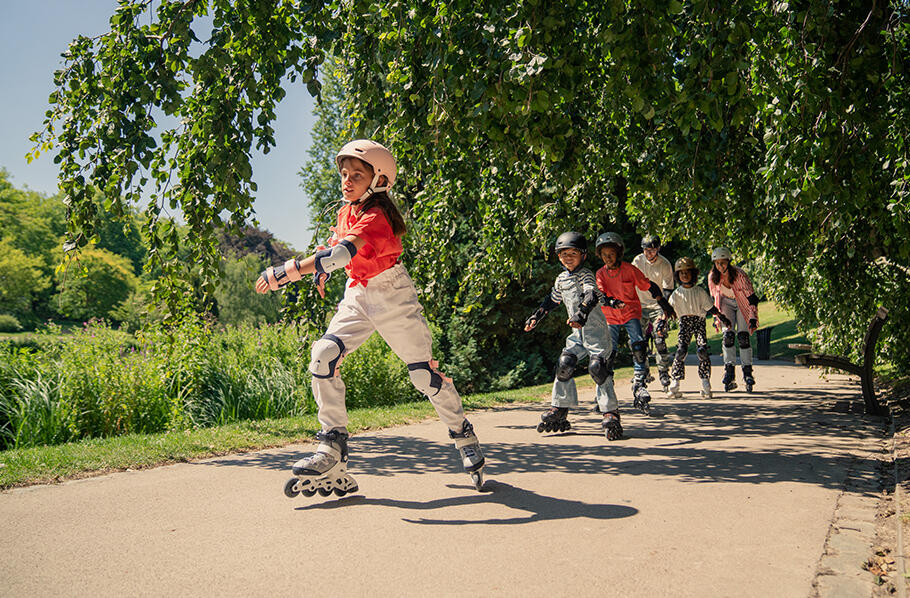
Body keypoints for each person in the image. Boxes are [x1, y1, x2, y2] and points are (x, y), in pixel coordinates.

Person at [256, 139, 485, 497]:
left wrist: (285, 272)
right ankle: (331, 447)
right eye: (344, 174)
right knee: (323, 356)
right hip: (359, 293)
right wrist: (323, 268)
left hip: (393, 295)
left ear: (378, 181)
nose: (347, 181)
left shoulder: (377, 217)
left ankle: (462, 433)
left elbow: (342, 253)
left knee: (424, 376)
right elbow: (335, 249)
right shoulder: (347, 210)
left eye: (356, 175)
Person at [524, 232, 625, 439]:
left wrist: (581, 313)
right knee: (565, 363)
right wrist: (536, 317)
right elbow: (552, 301)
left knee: (598, 368)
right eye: (563, 254)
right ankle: (560, 409)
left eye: (573, 253)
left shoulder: (586, 274)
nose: (568, 257)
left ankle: (610, 412)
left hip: (596, 333)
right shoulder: (561, 279)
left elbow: (590, 295)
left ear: (583, 256)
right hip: (577, 333)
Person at [594, 232, 676, 424]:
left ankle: (639, 383)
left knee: (639, 346)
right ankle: (606, 388)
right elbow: (599, 294)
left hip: (631, 312)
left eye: (612, 254)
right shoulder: (600, 274)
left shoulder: (630, 270)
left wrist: (664, 304)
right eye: (604, 255)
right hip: (611, 316)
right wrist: (611, 302)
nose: (608, 258)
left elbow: (651, 286)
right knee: (609, 352)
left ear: (619, 253)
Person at [665, 257, 732, 399]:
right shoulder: (676, 293)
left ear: (693, 274)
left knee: (702, 351)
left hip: (699, 322)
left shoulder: (699, 291)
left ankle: (705, 383)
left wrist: (722, 318)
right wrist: (662, 322)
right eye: (681, 273)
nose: (684, 275)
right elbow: (668, 310)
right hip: (684, 323)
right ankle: (675, 382)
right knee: (681, 350)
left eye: (687, 272)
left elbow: (711, 308)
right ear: (677, 275)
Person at [707, 246, 760, 392]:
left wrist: (753, 316)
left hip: (742, 303)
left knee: (743, 337)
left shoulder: (739, 274)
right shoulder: (712, 277)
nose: (720, 266)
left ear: (728, 261)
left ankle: (747, 373)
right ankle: (729, 371)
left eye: (723, 262)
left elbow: (752, 298)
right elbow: (714, 299)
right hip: (725, 304)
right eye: (717, 263)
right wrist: (718, 317)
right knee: (728, 336)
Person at [631, 235, 675, 394]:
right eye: (645, 250)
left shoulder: (664, 264)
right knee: (638, 341)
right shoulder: (637, 261)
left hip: (657, 304)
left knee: (659, 338)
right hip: (640, 304)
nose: (648, 253)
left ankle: (663, 371)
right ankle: (644, 371)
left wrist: (665, 309)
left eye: (652, 250)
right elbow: (630, 281)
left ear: (658, 249)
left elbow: (668, 288)